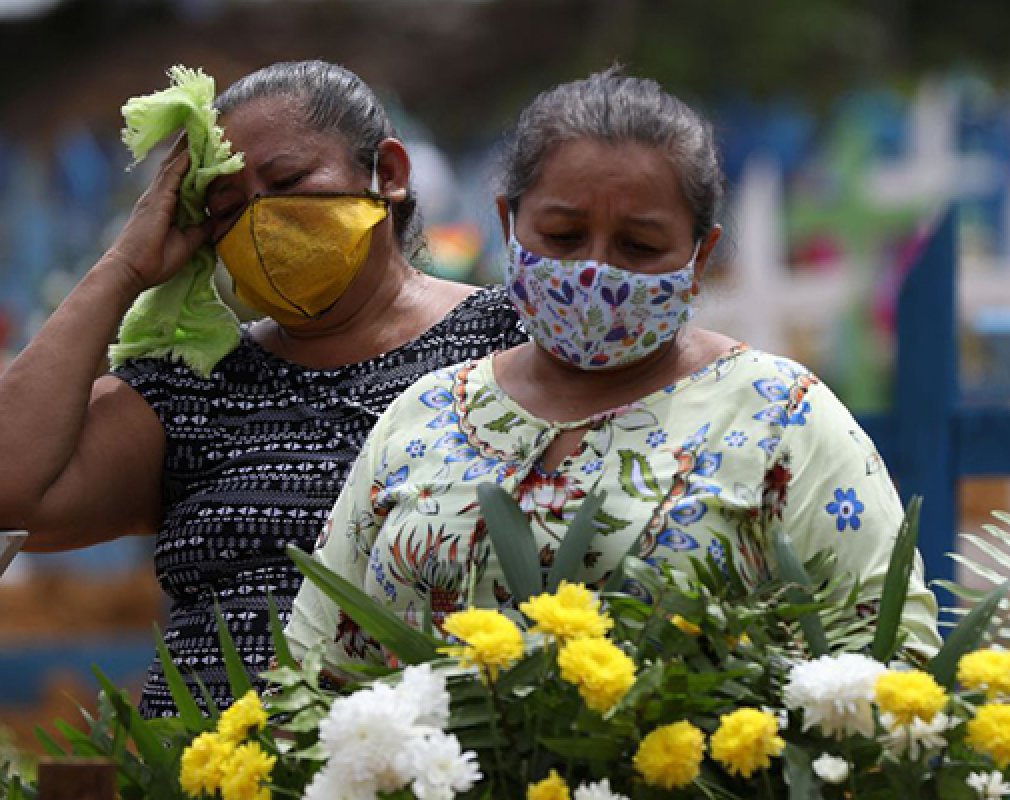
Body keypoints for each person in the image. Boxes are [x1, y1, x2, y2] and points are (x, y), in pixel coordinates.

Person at [286, 68, 939, 667]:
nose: (595, 270)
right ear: (508, 224)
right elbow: (317, 669)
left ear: (700, 255)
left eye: (640, 245)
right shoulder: (423, 417)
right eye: (564, 237)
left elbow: (887, 663)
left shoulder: (779, 416)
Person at [0, 60, 525, 716]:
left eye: (288, 182)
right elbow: (9, 490)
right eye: (226, 209)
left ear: (387, 174)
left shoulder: (510, 342)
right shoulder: (195, 389)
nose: (260, 220)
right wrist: (124, 267)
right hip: (206, 769)